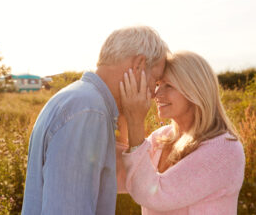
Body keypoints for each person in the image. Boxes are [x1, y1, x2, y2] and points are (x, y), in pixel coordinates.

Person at [21, 26, 170, 215]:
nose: (154, 92)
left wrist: (130, 118)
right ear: (139, 65)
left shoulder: (80, 99)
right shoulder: (90, 112)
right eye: (155, 80)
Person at [116, 51, 245, 214]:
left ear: (195, 90)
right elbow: (124, 177)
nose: (157, 94)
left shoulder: (225, 150)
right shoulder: (161, 137)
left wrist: (135, 120)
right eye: (158, 84)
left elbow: (154, 195)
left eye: (168, 85)